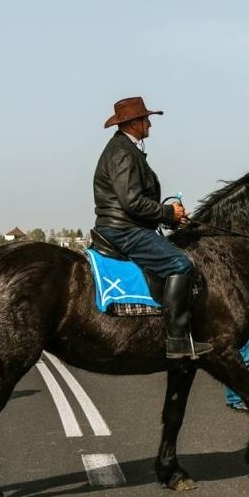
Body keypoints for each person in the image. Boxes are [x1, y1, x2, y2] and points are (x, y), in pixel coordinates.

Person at [92, 96, 209, 359]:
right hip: (124, 229)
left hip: (125, 225)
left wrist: (171, 218)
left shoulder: (125, 148)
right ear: (133, 122)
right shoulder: (123, 152)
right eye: (146, 119)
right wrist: (168, 212)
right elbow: (131, 202)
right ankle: (177, 340)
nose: (150, 124)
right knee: (181, 264)